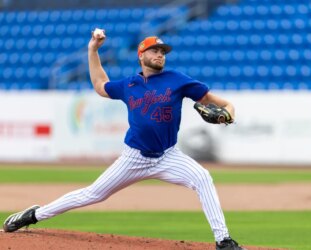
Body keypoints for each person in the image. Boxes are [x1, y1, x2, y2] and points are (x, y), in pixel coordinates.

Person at [3, 32, 244, 250]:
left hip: (168, 156)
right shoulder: (129, 85)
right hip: (134, 157)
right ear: (141, 55)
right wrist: (93, 50)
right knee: (92, 194)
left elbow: (222, 103)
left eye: (163, 52)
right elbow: (99, 85)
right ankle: (34, 215)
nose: (160, 54)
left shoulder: (177, 80)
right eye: (155, 50)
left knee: (202, 177)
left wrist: (229, 114)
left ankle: (223, 241)